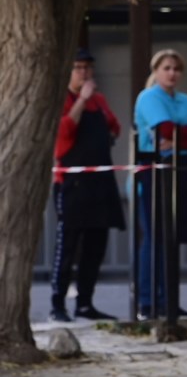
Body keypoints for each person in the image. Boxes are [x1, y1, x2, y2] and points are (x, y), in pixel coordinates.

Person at [49, 48, 125, 323]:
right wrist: (81, 100)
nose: (84, 73)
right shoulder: (64, 99)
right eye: (78, 67)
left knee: (96, 245)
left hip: (100, 181)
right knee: (67, 245)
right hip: (72, 182)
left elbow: (114, 126)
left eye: (87, 68)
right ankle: (57, 303)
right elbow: (64, 132)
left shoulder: (100, 100)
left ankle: (85, 302)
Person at [134, 49, 187, 320]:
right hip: (155, 168)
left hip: (181, 167)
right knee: (155, 237)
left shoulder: (185, 100)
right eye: (166, 68)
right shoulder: (149, 97)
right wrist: (178, 136)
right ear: (156, 70)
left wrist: (177, 139)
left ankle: (170, 300)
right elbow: (163, 132)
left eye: (176, 68)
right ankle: (149, 301)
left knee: (173, 238)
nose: (172, 73)